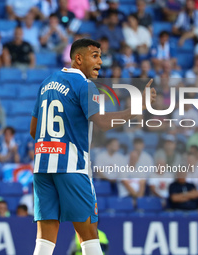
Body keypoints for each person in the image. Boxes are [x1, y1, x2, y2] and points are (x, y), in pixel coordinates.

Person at [30, 38, 156, 254]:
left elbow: (34, 130)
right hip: (71, 166)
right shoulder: (86, 85)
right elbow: (104, 123)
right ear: (78, 58)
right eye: (95, 56)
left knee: (45, 238)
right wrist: (138, 108)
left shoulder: (47, 83)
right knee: (89, 234)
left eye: (101, 56)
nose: (100, 62)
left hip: (42, 166)